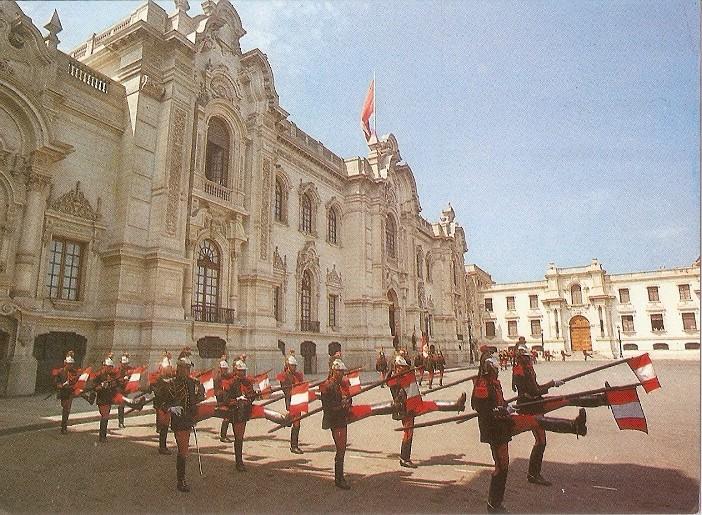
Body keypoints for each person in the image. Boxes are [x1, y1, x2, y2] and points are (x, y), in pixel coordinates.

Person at [512, 340, 592, 486]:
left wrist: (551, 384)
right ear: (522, 357)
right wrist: (551, 384)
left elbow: (534, 388)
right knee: (541, 440)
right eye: (527, 357)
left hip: (535, 402)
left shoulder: (525, 368)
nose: (530, 358)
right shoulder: (520, 369)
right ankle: (533, 474)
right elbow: (534, 390)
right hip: (529, 406)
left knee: (563, 400)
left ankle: (599, 401)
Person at [389, 355, 466, 468]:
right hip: (405, 409)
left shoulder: (404, 376)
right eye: (401, 367)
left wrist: (419, 394)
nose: (404, 369)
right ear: (396, 367)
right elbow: (395, 390)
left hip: (414, 405)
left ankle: (455, 405)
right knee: (408, 433)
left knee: (434, 404)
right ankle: (404, 458)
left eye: (404, 367)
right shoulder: (395, 379)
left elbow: (410, 389)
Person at [472, 349, 513, 513]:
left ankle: (497, 501)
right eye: (495, 368)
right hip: (492, 428)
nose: (497, 370)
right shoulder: (483, 384)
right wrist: (501, 410)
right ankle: (493, 503)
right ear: (490, 369)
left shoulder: (494, 382)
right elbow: (480, 407)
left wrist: (506, 406)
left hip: (500, 425)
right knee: (500, 465)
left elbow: (498, 402)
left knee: (505, 464)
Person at [162, 349, 205, 492]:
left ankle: (181, 478)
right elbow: (162, 403)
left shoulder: (192, 383)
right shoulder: (171, 384)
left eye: (188, 369)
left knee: (184, 449)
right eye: (185, 369)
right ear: (179, 369)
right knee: (183, 450)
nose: (187, 371)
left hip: (189, 419)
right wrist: (171, 408)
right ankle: (181, 480)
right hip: (179, 420)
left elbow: (197, 399)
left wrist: (201, 389)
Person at [320, 358, 352, 489]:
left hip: (341, 419)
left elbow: (347, 398)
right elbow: (328, 408)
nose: (342, 374)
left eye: (343, 372)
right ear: (334, 371)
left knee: (342, 449)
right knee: (340, 449)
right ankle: (339, 479)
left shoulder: (339, 385)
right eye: (340, 372)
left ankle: (339, 477)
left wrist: (347, 402)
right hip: (335, 420)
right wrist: (342, 406)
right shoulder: (327, 386)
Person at [226, 359, 258, 471]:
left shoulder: (247, 382)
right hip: (236, 412)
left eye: (244, 371)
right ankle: (238, 462)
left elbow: (251, 395)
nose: (243, 373)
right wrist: (236, 400)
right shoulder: (231, 383)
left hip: (244, 412)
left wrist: (252, 396)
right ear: (236, 371)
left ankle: (239, 461)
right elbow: (226, 399)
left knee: (240, 437)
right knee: (238, 437)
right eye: (241, 371)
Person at [279, 354, 305, 454]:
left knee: (297, 422)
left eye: (295, 366)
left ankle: (287, 419)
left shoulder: (298, 375)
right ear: (288, 365)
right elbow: (286, 391)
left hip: (298, 400)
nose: (294, 367)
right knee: (296, 422)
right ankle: (294, 446)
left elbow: (302, 384)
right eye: (292, 365)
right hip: (291, 401)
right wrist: (295, 389)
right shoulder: (283, 375)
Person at [152, 351, 175, 454]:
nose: (169, 370)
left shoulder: (172, 380)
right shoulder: (159, 381)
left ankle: (163, 446)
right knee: (163, 426)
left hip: (168, 404)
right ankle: (162, 447)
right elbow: (158, 393)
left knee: (166, 425)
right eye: (168, 369)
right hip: (162, 405)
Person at [93, 353, 120, 443]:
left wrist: (112, 384)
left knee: (106, 416)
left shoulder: (112, 376)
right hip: (102, 398)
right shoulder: (98, 375)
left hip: (108, 398)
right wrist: (101, 386)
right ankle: (102, 436)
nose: (109, 368)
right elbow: (93, 387)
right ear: (104, 366)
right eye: (108, 367)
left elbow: (116, 385)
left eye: (110, 367)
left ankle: (103, 435)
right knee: (104, 416)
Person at [54, 351, 79, 434]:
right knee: (65, 408)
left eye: (72, 364)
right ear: (65, 363)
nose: (70, 366)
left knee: (67, 409)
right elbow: (56, 383)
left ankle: (64, 427)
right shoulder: (60, 372)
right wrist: (62, 385)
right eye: (69, 364)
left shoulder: (74, 372)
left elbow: (77, 381)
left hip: (70, 392)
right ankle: (64, 425)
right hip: (63, 392)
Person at [214, 355, 233, 443]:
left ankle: (224, 435)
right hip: (221, 398)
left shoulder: (221, 376)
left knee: (228, 416)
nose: (226, 371)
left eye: (226, 369)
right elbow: (220, 390)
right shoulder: (219, 378)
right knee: (227, 417)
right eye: (224, 369)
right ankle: (223, 436)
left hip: (223, 397)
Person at [116, 353, 131, 428]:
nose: (125, 365)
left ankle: (121, 421)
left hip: (126, 389)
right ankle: (120, 422)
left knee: (123, 405)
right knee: (121, 405)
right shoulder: (119, 369)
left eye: (126, 364)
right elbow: (117, 379)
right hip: (120, 389)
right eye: (124, 364)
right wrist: (123, 379)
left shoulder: (128, 368)